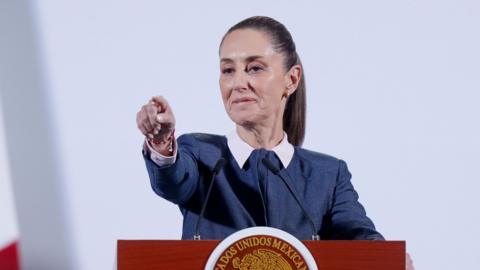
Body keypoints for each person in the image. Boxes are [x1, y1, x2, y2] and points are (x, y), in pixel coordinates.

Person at [136, 16, 413, 268]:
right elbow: (173, 179)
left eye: (254, 68)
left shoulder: (327, 175)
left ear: (291, 80)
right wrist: (162, 143)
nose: (238, 83)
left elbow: (358, 236)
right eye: (228, 70)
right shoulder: (199, 155)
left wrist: (388, 259)